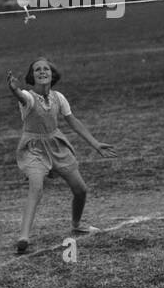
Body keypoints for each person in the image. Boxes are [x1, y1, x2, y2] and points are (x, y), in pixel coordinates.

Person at [6, 57, 116, 255]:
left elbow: (73, 121)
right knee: (36, 187)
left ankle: (77, 224)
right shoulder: (28, 97)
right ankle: (24, 237)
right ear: (32, 76)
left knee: (81, 190)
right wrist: (14, 90)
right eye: (37, 69)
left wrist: (95, 143)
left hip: (57, 145)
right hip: (33, 148)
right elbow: (22, 98)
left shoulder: (59, 97)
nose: (42, 72)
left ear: (52, 74)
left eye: (45, 69)